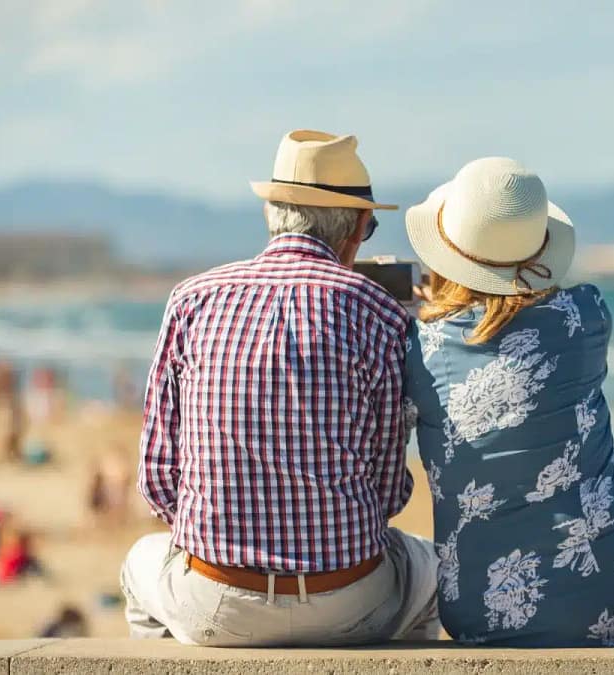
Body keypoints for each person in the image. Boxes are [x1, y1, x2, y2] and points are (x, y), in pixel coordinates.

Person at [120, 130, 438, 647]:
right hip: (348, 600)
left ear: (272, 214)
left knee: (140, 563)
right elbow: (387, 493)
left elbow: (158, 481)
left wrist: (225, 535)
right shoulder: (379, 313)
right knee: (427, 569)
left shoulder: (192, 299)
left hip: (217, 602)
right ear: (358, 227)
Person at [403, 157, 614, 646]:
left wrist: (428, 308)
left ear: (448, 253)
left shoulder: (419, 347)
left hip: (481, 608)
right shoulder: (587, 316)